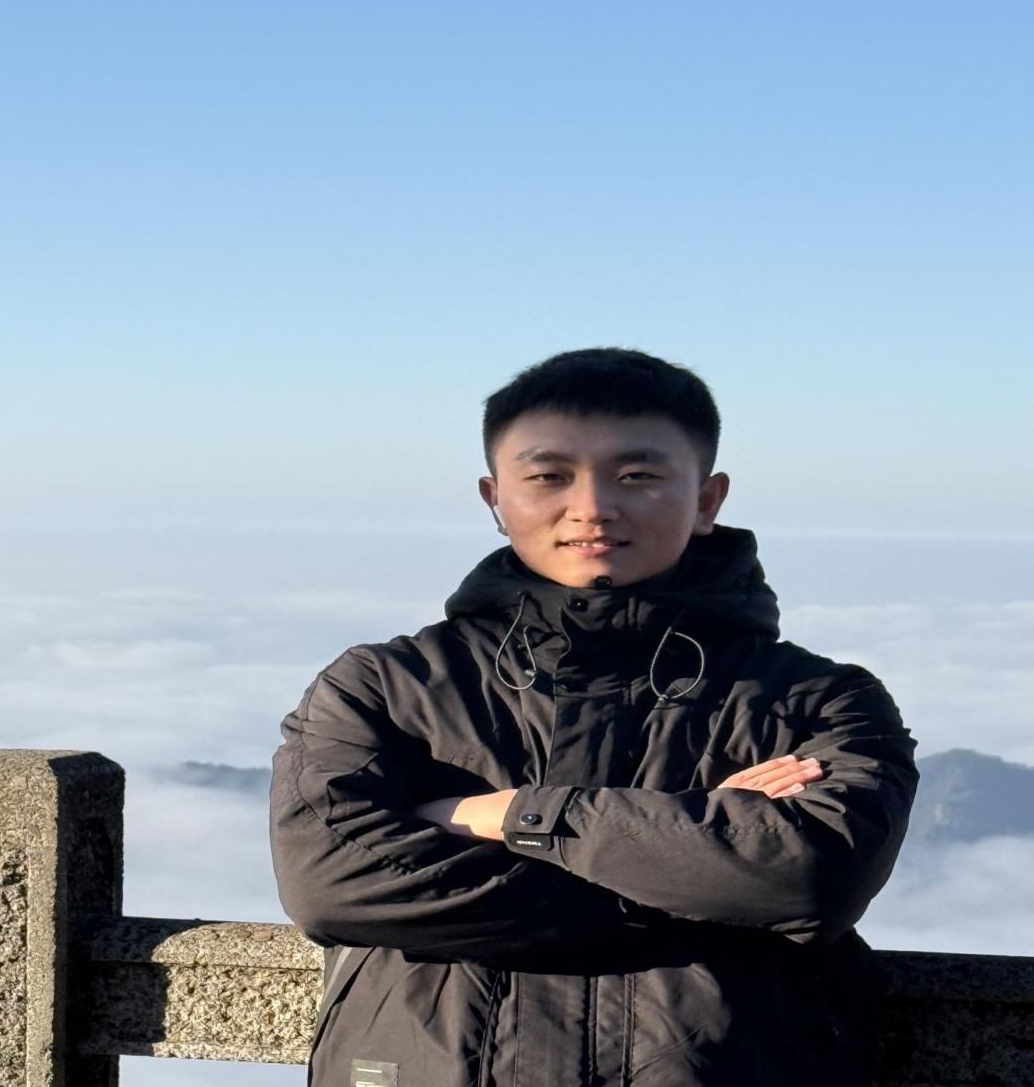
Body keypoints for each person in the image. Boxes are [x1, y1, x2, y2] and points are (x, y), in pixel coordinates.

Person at [269, 347, 919, 1087]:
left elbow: (809, 881)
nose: (592, 507)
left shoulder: (820, 700)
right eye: (549, 476)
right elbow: (330, 884)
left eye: (636, 476)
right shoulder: (385, 686)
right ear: (494, 497)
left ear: (707, 499)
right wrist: (689, 867)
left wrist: (509, 815)